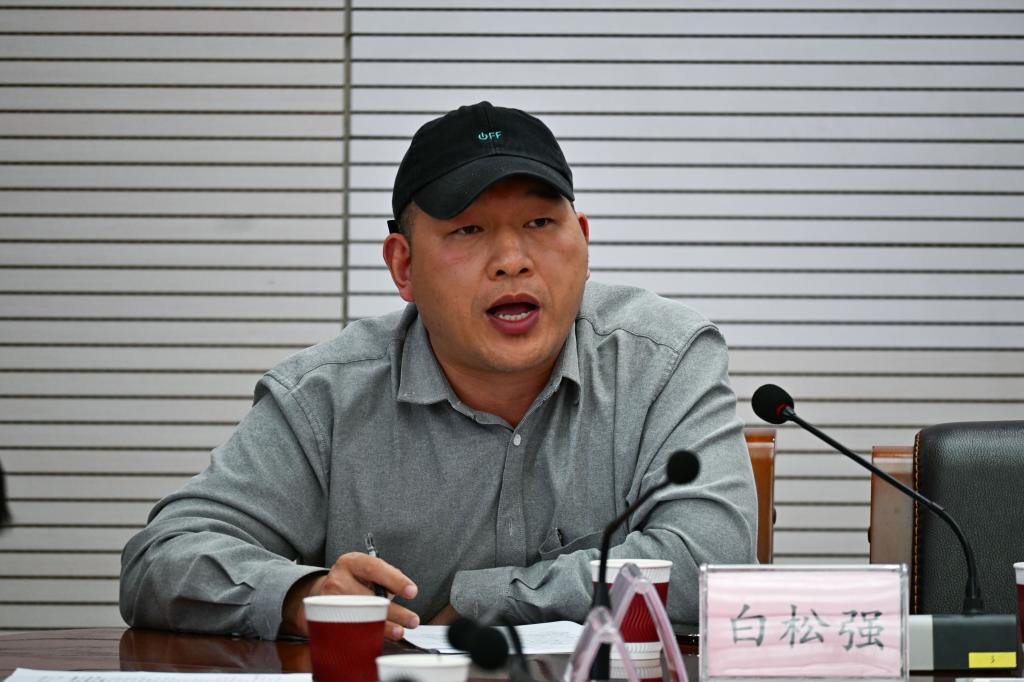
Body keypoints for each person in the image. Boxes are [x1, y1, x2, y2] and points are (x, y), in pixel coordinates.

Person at [119, 101, 758, 641]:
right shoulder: (326, 397)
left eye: (540, 223)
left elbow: (713, 566)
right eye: (468, 230)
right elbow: (161, 558)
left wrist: (491, 600)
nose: (512, 260)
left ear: (583, 242)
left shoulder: (665, 360)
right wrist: (302, 596)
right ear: (403, 266)